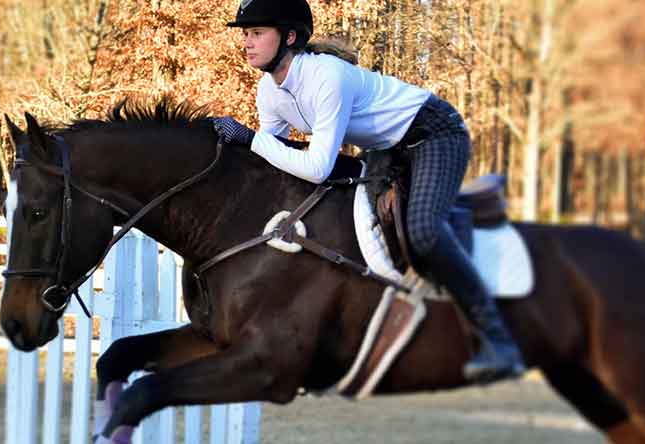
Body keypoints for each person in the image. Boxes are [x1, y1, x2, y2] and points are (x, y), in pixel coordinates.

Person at [210, 0, 525, 383]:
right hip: (387, 148)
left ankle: (499, 339)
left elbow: (316, 167)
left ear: (289, 37)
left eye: (257, 33)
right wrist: (234, 153)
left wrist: (250, 138)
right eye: (245, 34)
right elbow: (272, 161)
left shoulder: (326, 76)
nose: (246, 42)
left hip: (433, 134)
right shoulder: (269, 91)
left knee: (423, 232)